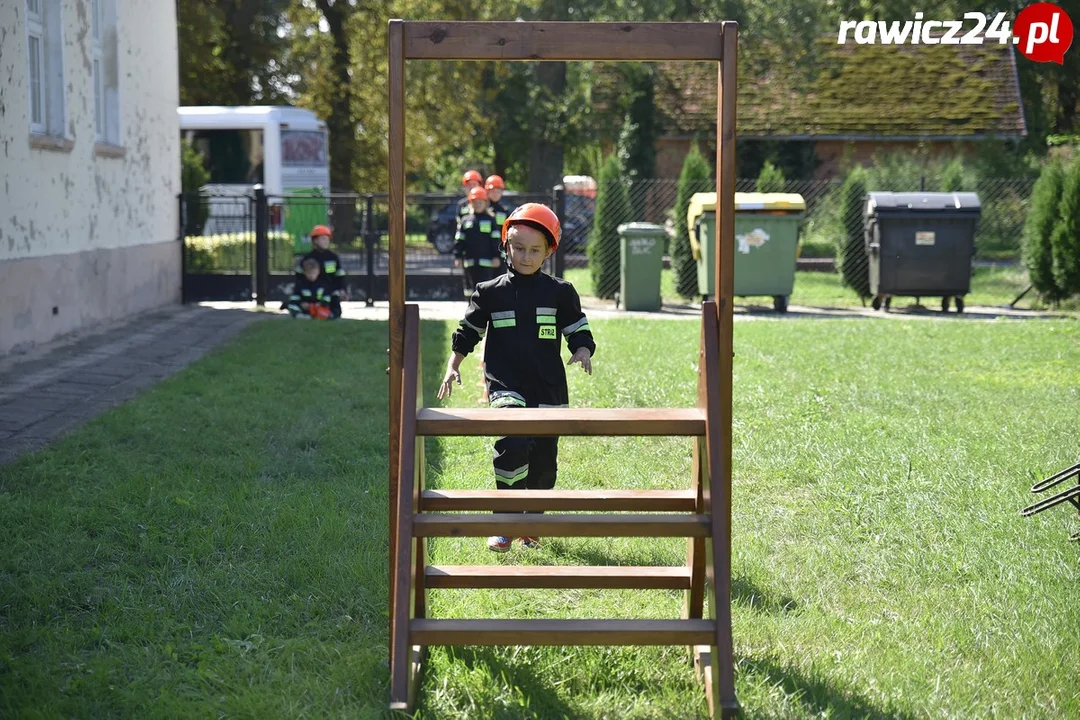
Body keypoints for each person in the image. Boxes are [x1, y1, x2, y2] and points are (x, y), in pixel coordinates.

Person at [438, 203, 596, 553]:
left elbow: (578, 328)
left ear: (549, 251)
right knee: (513, 443)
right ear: (505, 246)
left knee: (543, 461)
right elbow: (468, 331)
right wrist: (454, 364)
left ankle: (532, 524)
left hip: (549, 388)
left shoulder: (560, 292)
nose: (526, 256)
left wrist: (583, 350)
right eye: (518, 247)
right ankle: (505, 522)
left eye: (534, 250)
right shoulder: (489, 292)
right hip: (506, 385)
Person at [453, 186, 501, 296]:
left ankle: (485, 312)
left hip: (487, 263)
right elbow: (459, 240)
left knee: (485, 289)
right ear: (471, 203)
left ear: (485, 203)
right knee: (469, 290)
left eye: (481, 202)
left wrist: (496, 256)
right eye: (475, 201)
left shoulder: (490, 219)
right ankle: (470, 311)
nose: (478, 204)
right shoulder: (465, 220)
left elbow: (495, 240)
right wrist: (458, 256)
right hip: (469, 262)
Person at [293, 224, 346, 317]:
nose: (326, 242)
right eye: (323, 239)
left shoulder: (333, 257)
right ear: (315, 241)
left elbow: (339, 275)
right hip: (311, 291)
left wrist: (342, 290)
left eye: (327, 239)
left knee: (336, 312)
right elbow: (299, 277)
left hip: (329, 291)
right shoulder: (308, 258)